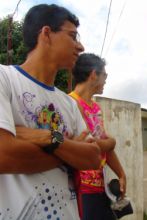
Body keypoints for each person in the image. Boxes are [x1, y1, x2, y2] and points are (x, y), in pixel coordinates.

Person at [0, 4, 102, 220]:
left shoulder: (68, 103)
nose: (80, 46)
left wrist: (48, 138)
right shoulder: (4, 79)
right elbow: (4, 155)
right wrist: (71, 152)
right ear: (46, 34)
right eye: (73, 36)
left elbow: (93, 157)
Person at [70, 53, 127, 220]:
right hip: (81, 188)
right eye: (105, 75)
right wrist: (111, 142)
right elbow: (90, 146)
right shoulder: (71, 103)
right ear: (93, 74)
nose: (106, 80)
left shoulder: (95, 108)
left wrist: (121, 173)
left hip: (100, 187)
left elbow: (103, 145)